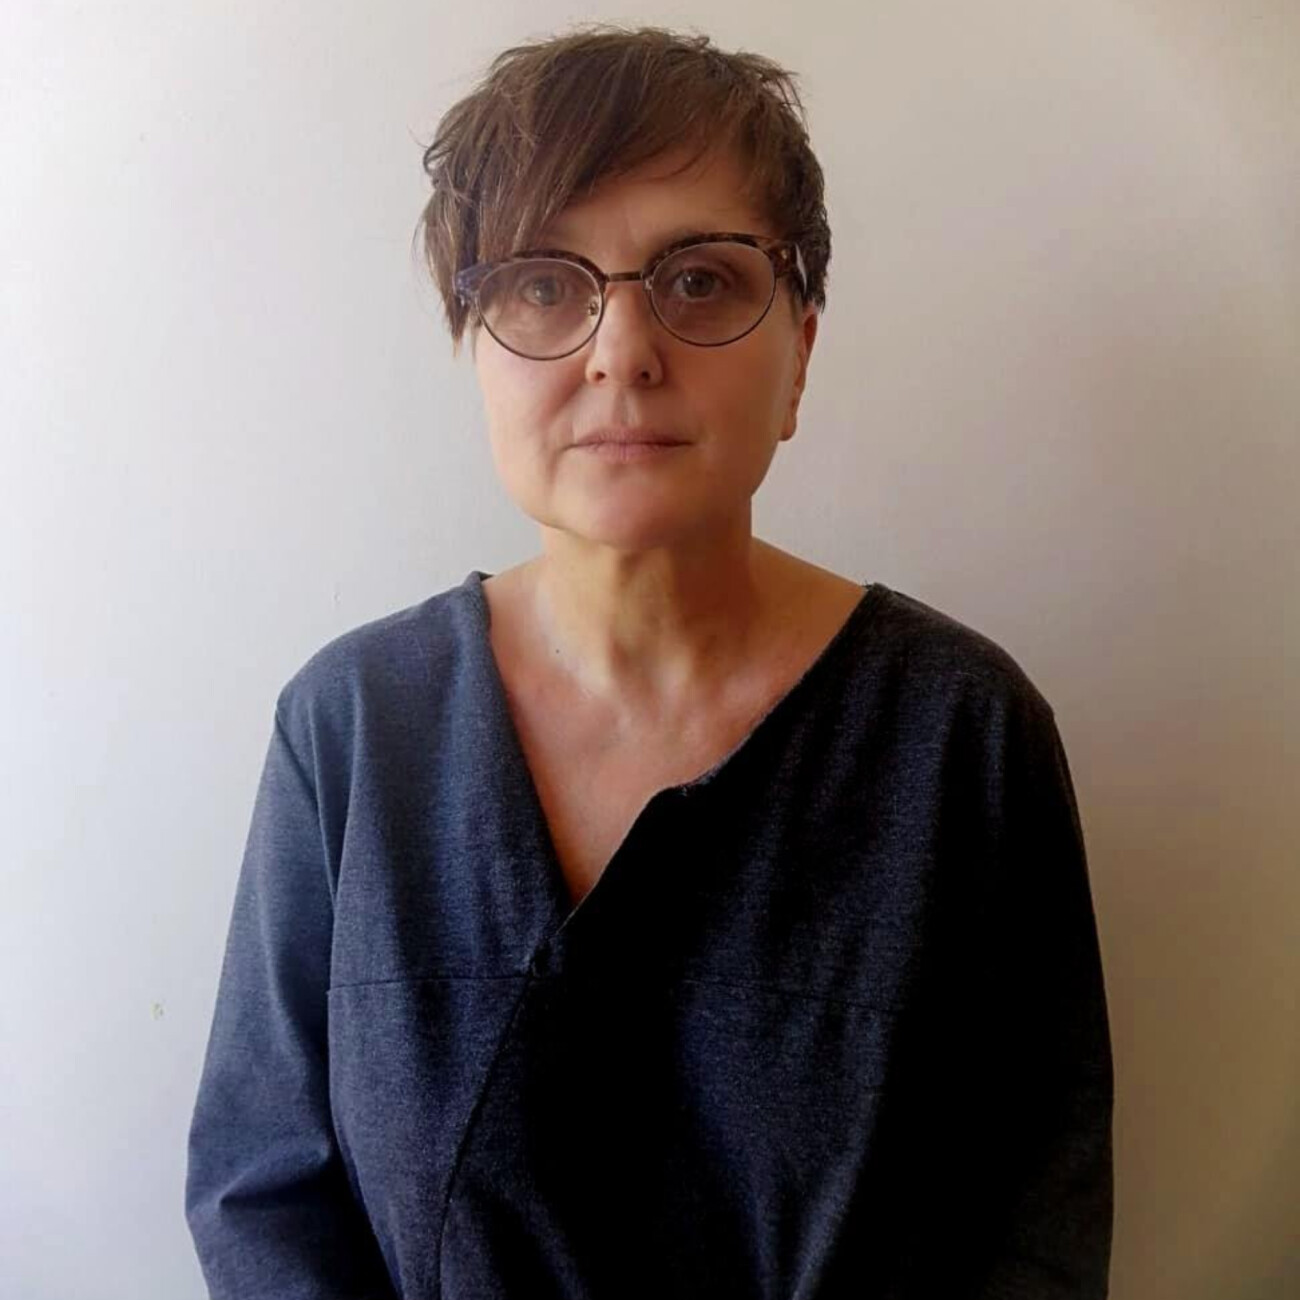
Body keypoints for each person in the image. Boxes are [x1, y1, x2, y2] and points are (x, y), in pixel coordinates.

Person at [185, 25, 1114, 1299]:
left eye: (700, 279)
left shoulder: (964, 733)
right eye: (542, 284)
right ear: (470, 347)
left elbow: (1035, 1217)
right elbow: (263, 1188)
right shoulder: (351, 727)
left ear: (801, 350)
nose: (622, 350)